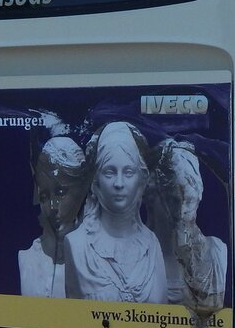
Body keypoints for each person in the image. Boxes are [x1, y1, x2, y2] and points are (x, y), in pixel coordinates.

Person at [64, 122, 166, 303]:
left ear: (141, 181)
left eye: (128, 172)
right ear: (96, 182)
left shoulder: (152, 245)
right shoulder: (76, 245)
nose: (119, 183)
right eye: (110, 172)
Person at [152, 138, 228, 328]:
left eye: (189, 196)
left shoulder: (217, 251)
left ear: (198, 193)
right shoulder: (146, 254)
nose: (183, 208)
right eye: (175, 199)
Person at [18, 136, 87, 298]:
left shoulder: (100, 261)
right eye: (44, 196)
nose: (53, 207)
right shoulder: (26, 259)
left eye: (61, 192)